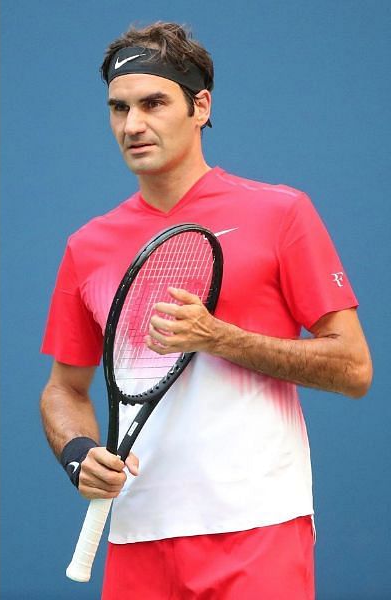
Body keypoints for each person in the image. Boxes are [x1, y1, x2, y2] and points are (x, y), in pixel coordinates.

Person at [39, 22, 372, 599]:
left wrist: (220, 337)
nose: (132, 125)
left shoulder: (283, 213)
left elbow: (353, 368)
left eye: (153, 103)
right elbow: (63, 390)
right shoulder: (86, 245)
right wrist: (77, 453)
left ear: (200, 106)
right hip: (138, 534)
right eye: (118, 108)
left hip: (259, 527)